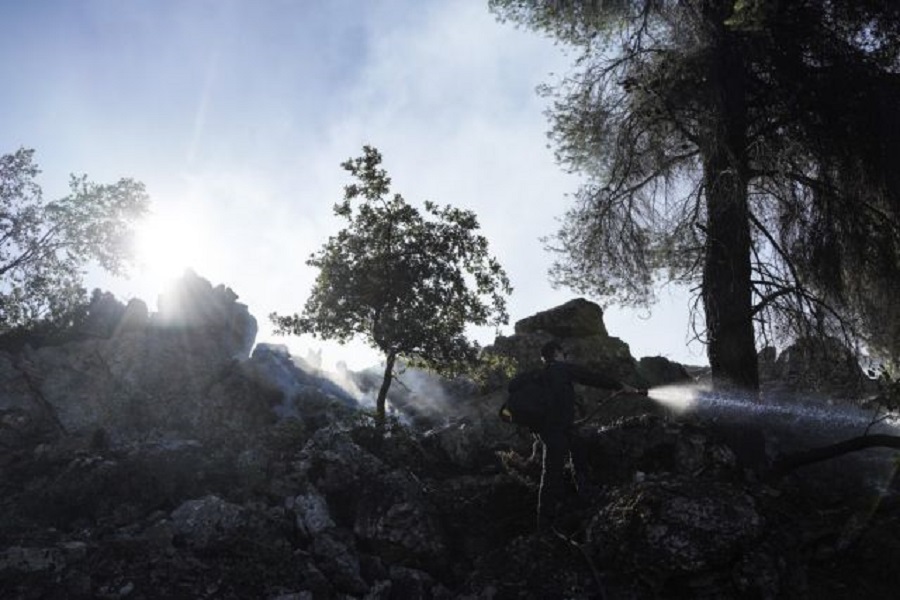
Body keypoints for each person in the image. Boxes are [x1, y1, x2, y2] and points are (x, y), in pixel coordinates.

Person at [536, 340, 645, 527]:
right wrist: (619, 385)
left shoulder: (541, 376)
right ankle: (546, 525)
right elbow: (591, 377)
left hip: (551, 430)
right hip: (558, 430)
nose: (565, 356)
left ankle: (585, 497)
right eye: (563, 353)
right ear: (556, 353)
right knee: (553, 474)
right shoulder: (560, 369)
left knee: (576, 451)